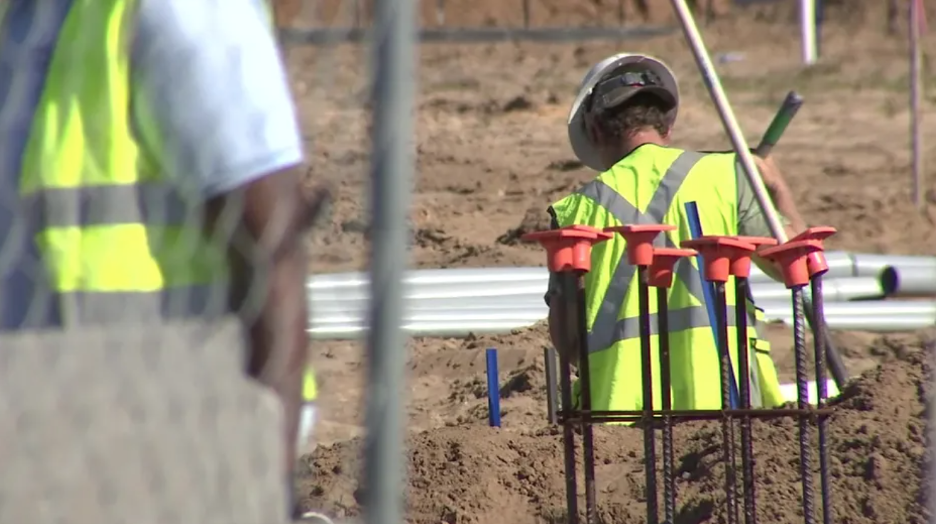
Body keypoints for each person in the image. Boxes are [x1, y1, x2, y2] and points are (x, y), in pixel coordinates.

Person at [0, 0, 324, 515]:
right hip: (46, 451)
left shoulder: (182, 10)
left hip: (168, 447)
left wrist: (266, 482)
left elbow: (272, 244)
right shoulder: (35, 21)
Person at [544, 53, 807, 413]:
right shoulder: (728, 176)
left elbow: (567, 339)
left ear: (594, 131)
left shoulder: (575, 210)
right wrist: (776, 187)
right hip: (730, 403)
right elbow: (797, 266)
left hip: (620, 411)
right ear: (667, 127)